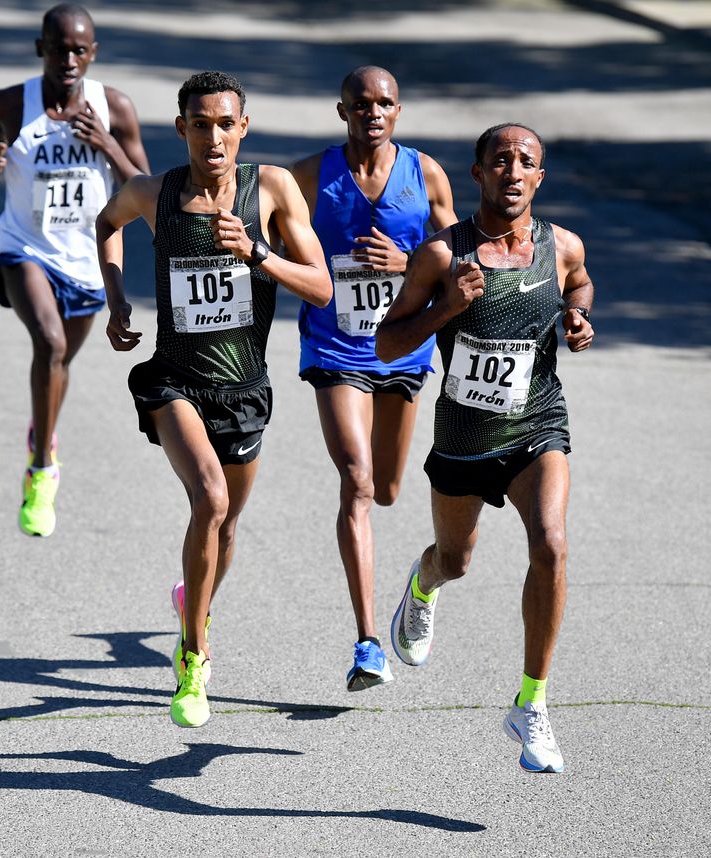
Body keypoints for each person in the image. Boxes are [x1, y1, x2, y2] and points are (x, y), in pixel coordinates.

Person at [97, 71, 333, 728]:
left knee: (226, 528)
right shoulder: (154, 192)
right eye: (200, 124)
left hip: (244, 390)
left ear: (243, 128)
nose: (214, 136)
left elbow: (320, 288)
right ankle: (194, 657)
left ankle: (192, 602)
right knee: (211, 499)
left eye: (226, 123)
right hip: (174, 381)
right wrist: (116, 297)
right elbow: (105, 223)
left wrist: (258, 253)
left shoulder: (274, 189)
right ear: (183, 130)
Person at [376, 123, 595, 772]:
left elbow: (579, 283)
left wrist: (581, 317)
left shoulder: (562, 247)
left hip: (536, 427)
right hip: (465, 441)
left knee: (551, 545)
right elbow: (388, 345)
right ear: (478, 174)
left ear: (538, 179)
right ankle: (423, 586)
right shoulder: (443, 255)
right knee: (456, 560)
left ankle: (531, 703)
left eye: (525, 161)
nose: (512, 170)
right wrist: (447, 308)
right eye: (499, 160)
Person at [290, 66, 457, 693]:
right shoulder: (311, 175)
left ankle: (416, 585)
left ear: (399, 110)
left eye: (385, 103)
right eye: (361, 104)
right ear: (343, 111)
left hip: (403, 351)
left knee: (387, 488)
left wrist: (408, 261)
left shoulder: (427, 174)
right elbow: (267, 229)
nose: (374, 113)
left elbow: (459, 257)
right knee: (356, 481)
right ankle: (366, 645)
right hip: (334, 346)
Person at [0, 4, 149, 537]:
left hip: (86, 257)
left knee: (60, 363)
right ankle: (42, 469)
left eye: (79, 49)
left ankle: (41, 431)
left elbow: (144, 186)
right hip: (23, 246)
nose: (68, 59)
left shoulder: (113, 106)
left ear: (93, 53)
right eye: (58, 48)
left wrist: (106, 142)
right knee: (49, 346)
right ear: (40, 49)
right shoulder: (10, 102)